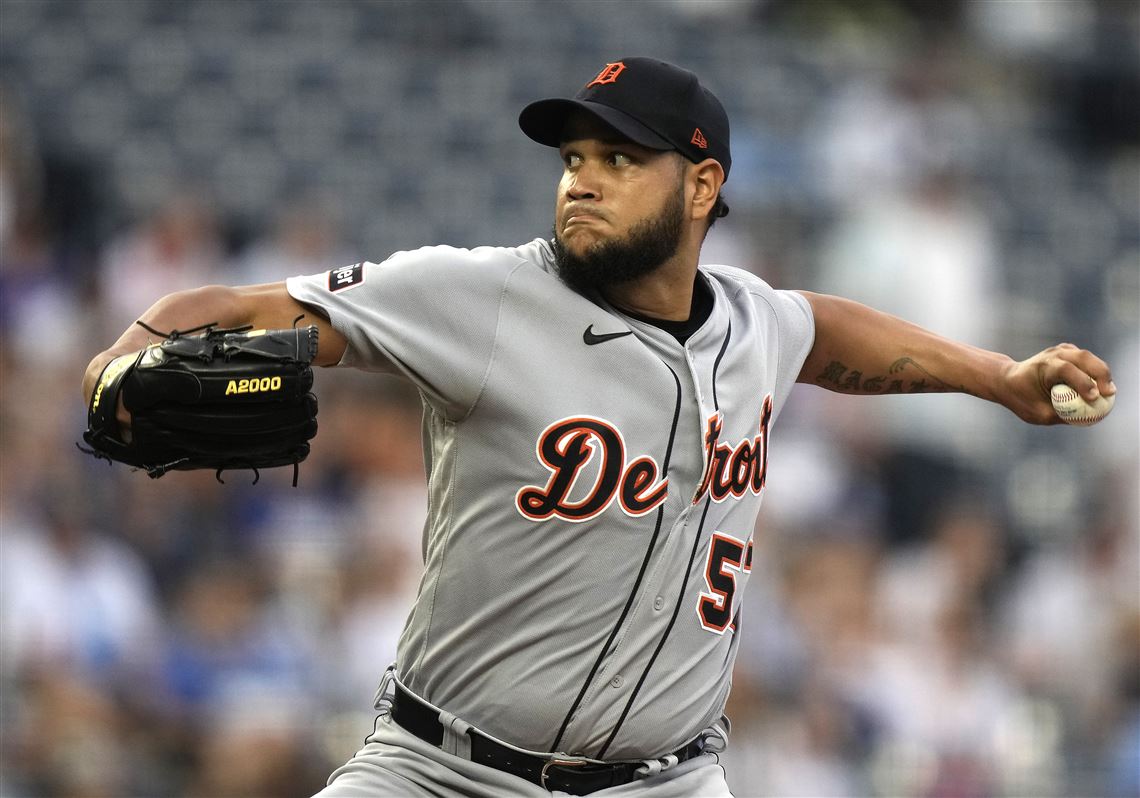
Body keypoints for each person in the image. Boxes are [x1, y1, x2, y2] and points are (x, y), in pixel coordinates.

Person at [82, 57, 1114, 797]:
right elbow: (239, 307)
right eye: (575, 155)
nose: (583, 176)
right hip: (445, 769)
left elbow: (826, 332)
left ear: (703, 185)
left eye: (622, 159)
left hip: (668, 781)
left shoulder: (752, 319)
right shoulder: (476, 296)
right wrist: (121, 353)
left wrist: (994, 377)